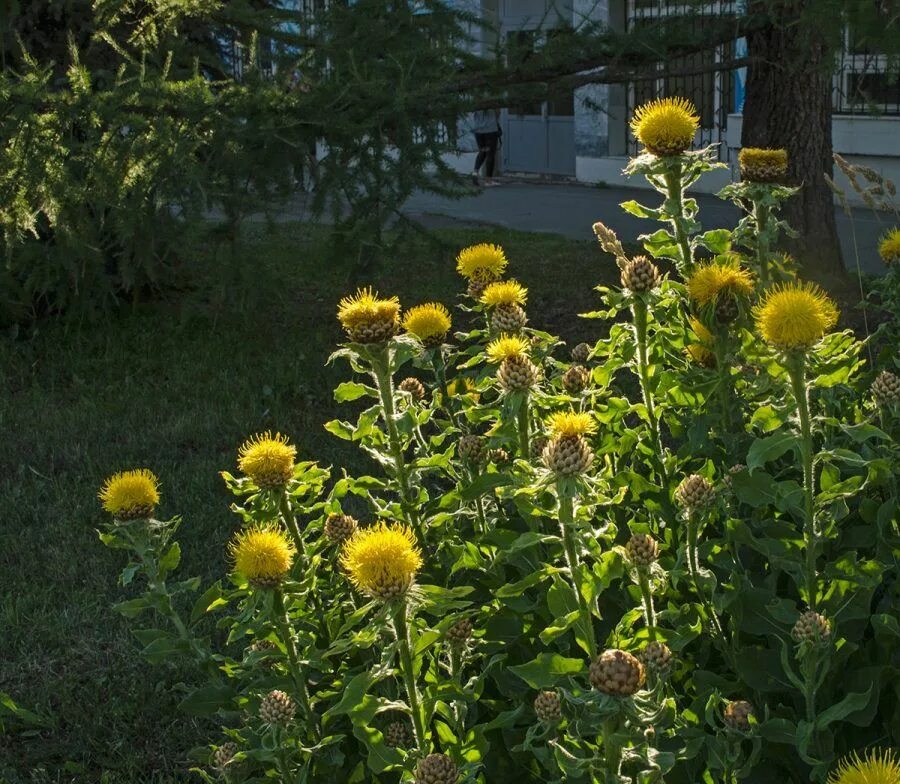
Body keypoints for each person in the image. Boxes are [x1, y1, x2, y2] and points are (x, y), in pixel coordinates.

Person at [471, 109, 501, 187]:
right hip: (490, 130)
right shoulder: (493, 99)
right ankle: (488, 180)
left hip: (478, 131)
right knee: (490, 154)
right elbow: (497, 113)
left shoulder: (476, 99)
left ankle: (475, 173)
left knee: (482, 152)